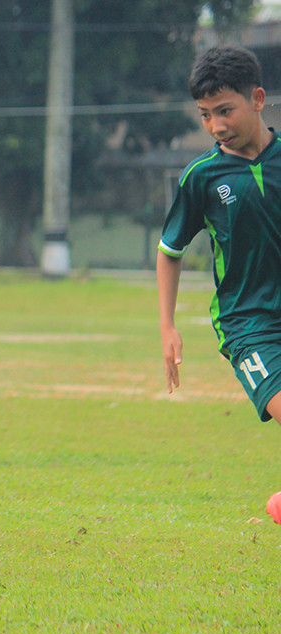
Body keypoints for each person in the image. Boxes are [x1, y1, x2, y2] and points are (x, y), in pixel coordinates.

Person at [158, 46, 281, 513]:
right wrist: (167, 327)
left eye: (225, 111)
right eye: (205, 115)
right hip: (248, 324)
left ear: (258, 99)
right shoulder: (203, 177)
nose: (216, 126)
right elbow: (169, 251)